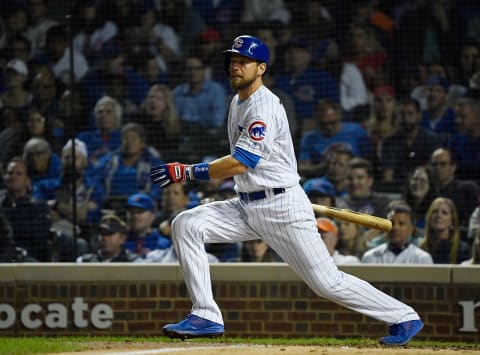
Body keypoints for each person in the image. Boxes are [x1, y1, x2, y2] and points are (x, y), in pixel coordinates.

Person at [150, 35, 423, 345]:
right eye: (232, 61)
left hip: (281, 207)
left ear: (261, 68)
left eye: (244, 62)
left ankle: (403, 316)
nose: (235, 67)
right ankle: (206, 315)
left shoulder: (263, 105)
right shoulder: (238, 102)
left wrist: (187, 171)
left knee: (327, 283)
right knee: (187, 224)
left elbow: (243, 161)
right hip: (248, 205)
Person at [298, 100, 373, 178]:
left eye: (333, 122)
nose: (329, 127)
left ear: (339, 116)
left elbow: (370, 160)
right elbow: (302, 168)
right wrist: (322, 167)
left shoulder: (357, 131)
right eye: (324, 124)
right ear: (317, 120)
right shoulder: (309, 138)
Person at [0, 156, 51, 261]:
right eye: (10, 173)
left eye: (19, 174)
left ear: (27, 180)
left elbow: (38, 240)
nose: (13, 177)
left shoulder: (38, 207)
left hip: (26, 257)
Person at [382, 98, 442, 182]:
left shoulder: (431, 139)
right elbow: (388, 174)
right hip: (399, 188)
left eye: (410, 114)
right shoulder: (389, 142)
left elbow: (435, 169)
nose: (406, 118)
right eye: (402, 114)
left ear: (419, 116)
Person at [361, 203, 433, 264]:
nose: (395, 228)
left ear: (411, 229)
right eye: (391, 223)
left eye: (401, 224)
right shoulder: (370, 257)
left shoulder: (423, 259)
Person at [430, 147, 479, 233]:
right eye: (434, 164)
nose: (438, 168)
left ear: (453, 167)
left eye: (443, 164)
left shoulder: (468, 189)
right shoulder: (428, 193)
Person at [420, 197, 471, 264]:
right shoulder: (420, 248)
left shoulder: (463, 250)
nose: (438, 215)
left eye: (444, 213)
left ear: (452, 221)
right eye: (434, 212)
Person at [124, 192, 171, 258]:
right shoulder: (119, 242)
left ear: (152, 215)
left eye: (140, 211)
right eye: (131, 212)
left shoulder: (163, 244)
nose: (135, 216)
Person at [447, 97, 480, 183]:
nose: (457, 121)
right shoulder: (454, 142)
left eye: (463, 117)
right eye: (456, 117)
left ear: (478, 117)